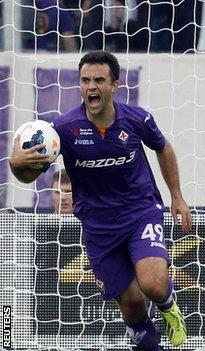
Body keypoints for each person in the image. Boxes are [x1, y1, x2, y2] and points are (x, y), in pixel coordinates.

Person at [9, 51, 191, 350]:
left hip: (140, 212)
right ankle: (147, 340)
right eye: (85, 80)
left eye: (99, 80)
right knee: (132, 304)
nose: (91, 86)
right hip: (98, 226)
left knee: (153, 284)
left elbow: (164, 147)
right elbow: (27, 178)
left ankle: (170, 308)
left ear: (114, 85)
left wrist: (177, 196)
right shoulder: (62, 131)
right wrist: (17, 163)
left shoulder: (137, 119)